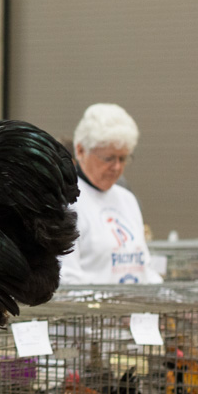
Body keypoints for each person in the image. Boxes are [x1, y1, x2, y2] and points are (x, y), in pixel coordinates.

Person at [59, 104, 162, 285]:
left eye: (123, 158)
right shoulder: (67, 203)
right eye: (108, 158)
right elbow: (68, 278)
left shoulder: (126, 200)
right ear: (81, 150)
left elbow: (144, 266)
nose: (117, 167)